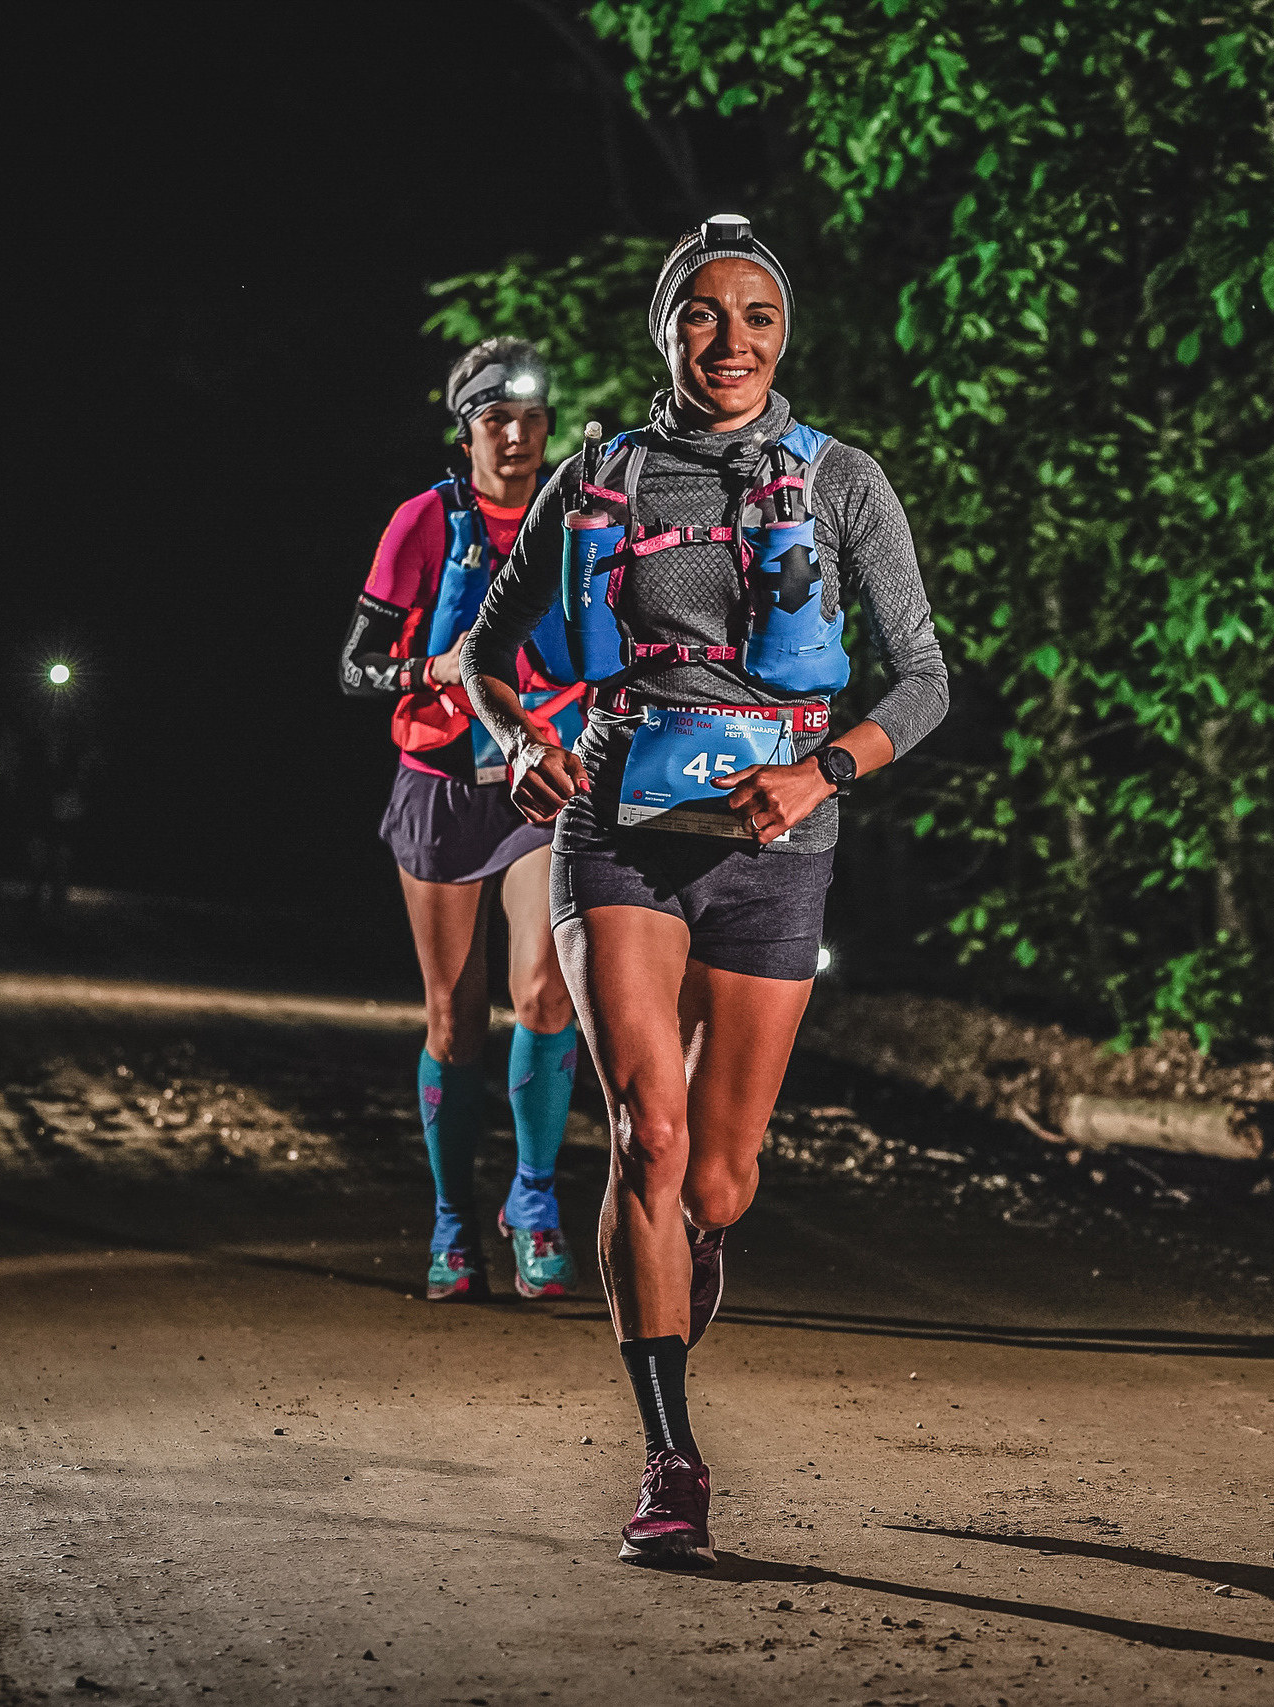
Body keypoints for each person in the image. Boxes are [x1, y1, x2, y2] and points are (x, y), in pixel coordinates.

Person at [461, 217, 949, 1567]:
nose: (729, 341)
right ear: (667, 326)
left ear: (784, 335)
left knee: (720, 1180)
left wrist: (824, 771)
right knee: (646, 1140)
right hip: (620, 824)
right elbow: (483, 653)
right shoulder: (598, 473)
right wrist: (517, 739)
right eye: (702, 315)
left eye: (757, 318)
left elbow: (924, 681)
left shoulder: (844, 480)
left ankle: (687, 1248)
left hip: (780, 842)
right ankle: (670, 1457)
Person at [339, 337, 588, 1303]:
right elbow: (355, 666)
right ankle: (450, 1220)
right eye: (497, 419)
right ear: (468, 427)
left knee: (544, 993)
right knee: (456, 1014)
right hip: (441, 776)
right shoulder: (424, 522)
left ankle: (532, 1202)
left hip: (541, 778)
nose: (518, 436)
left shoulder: (577, 517)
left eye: (531, 418)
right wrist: (431, 671)